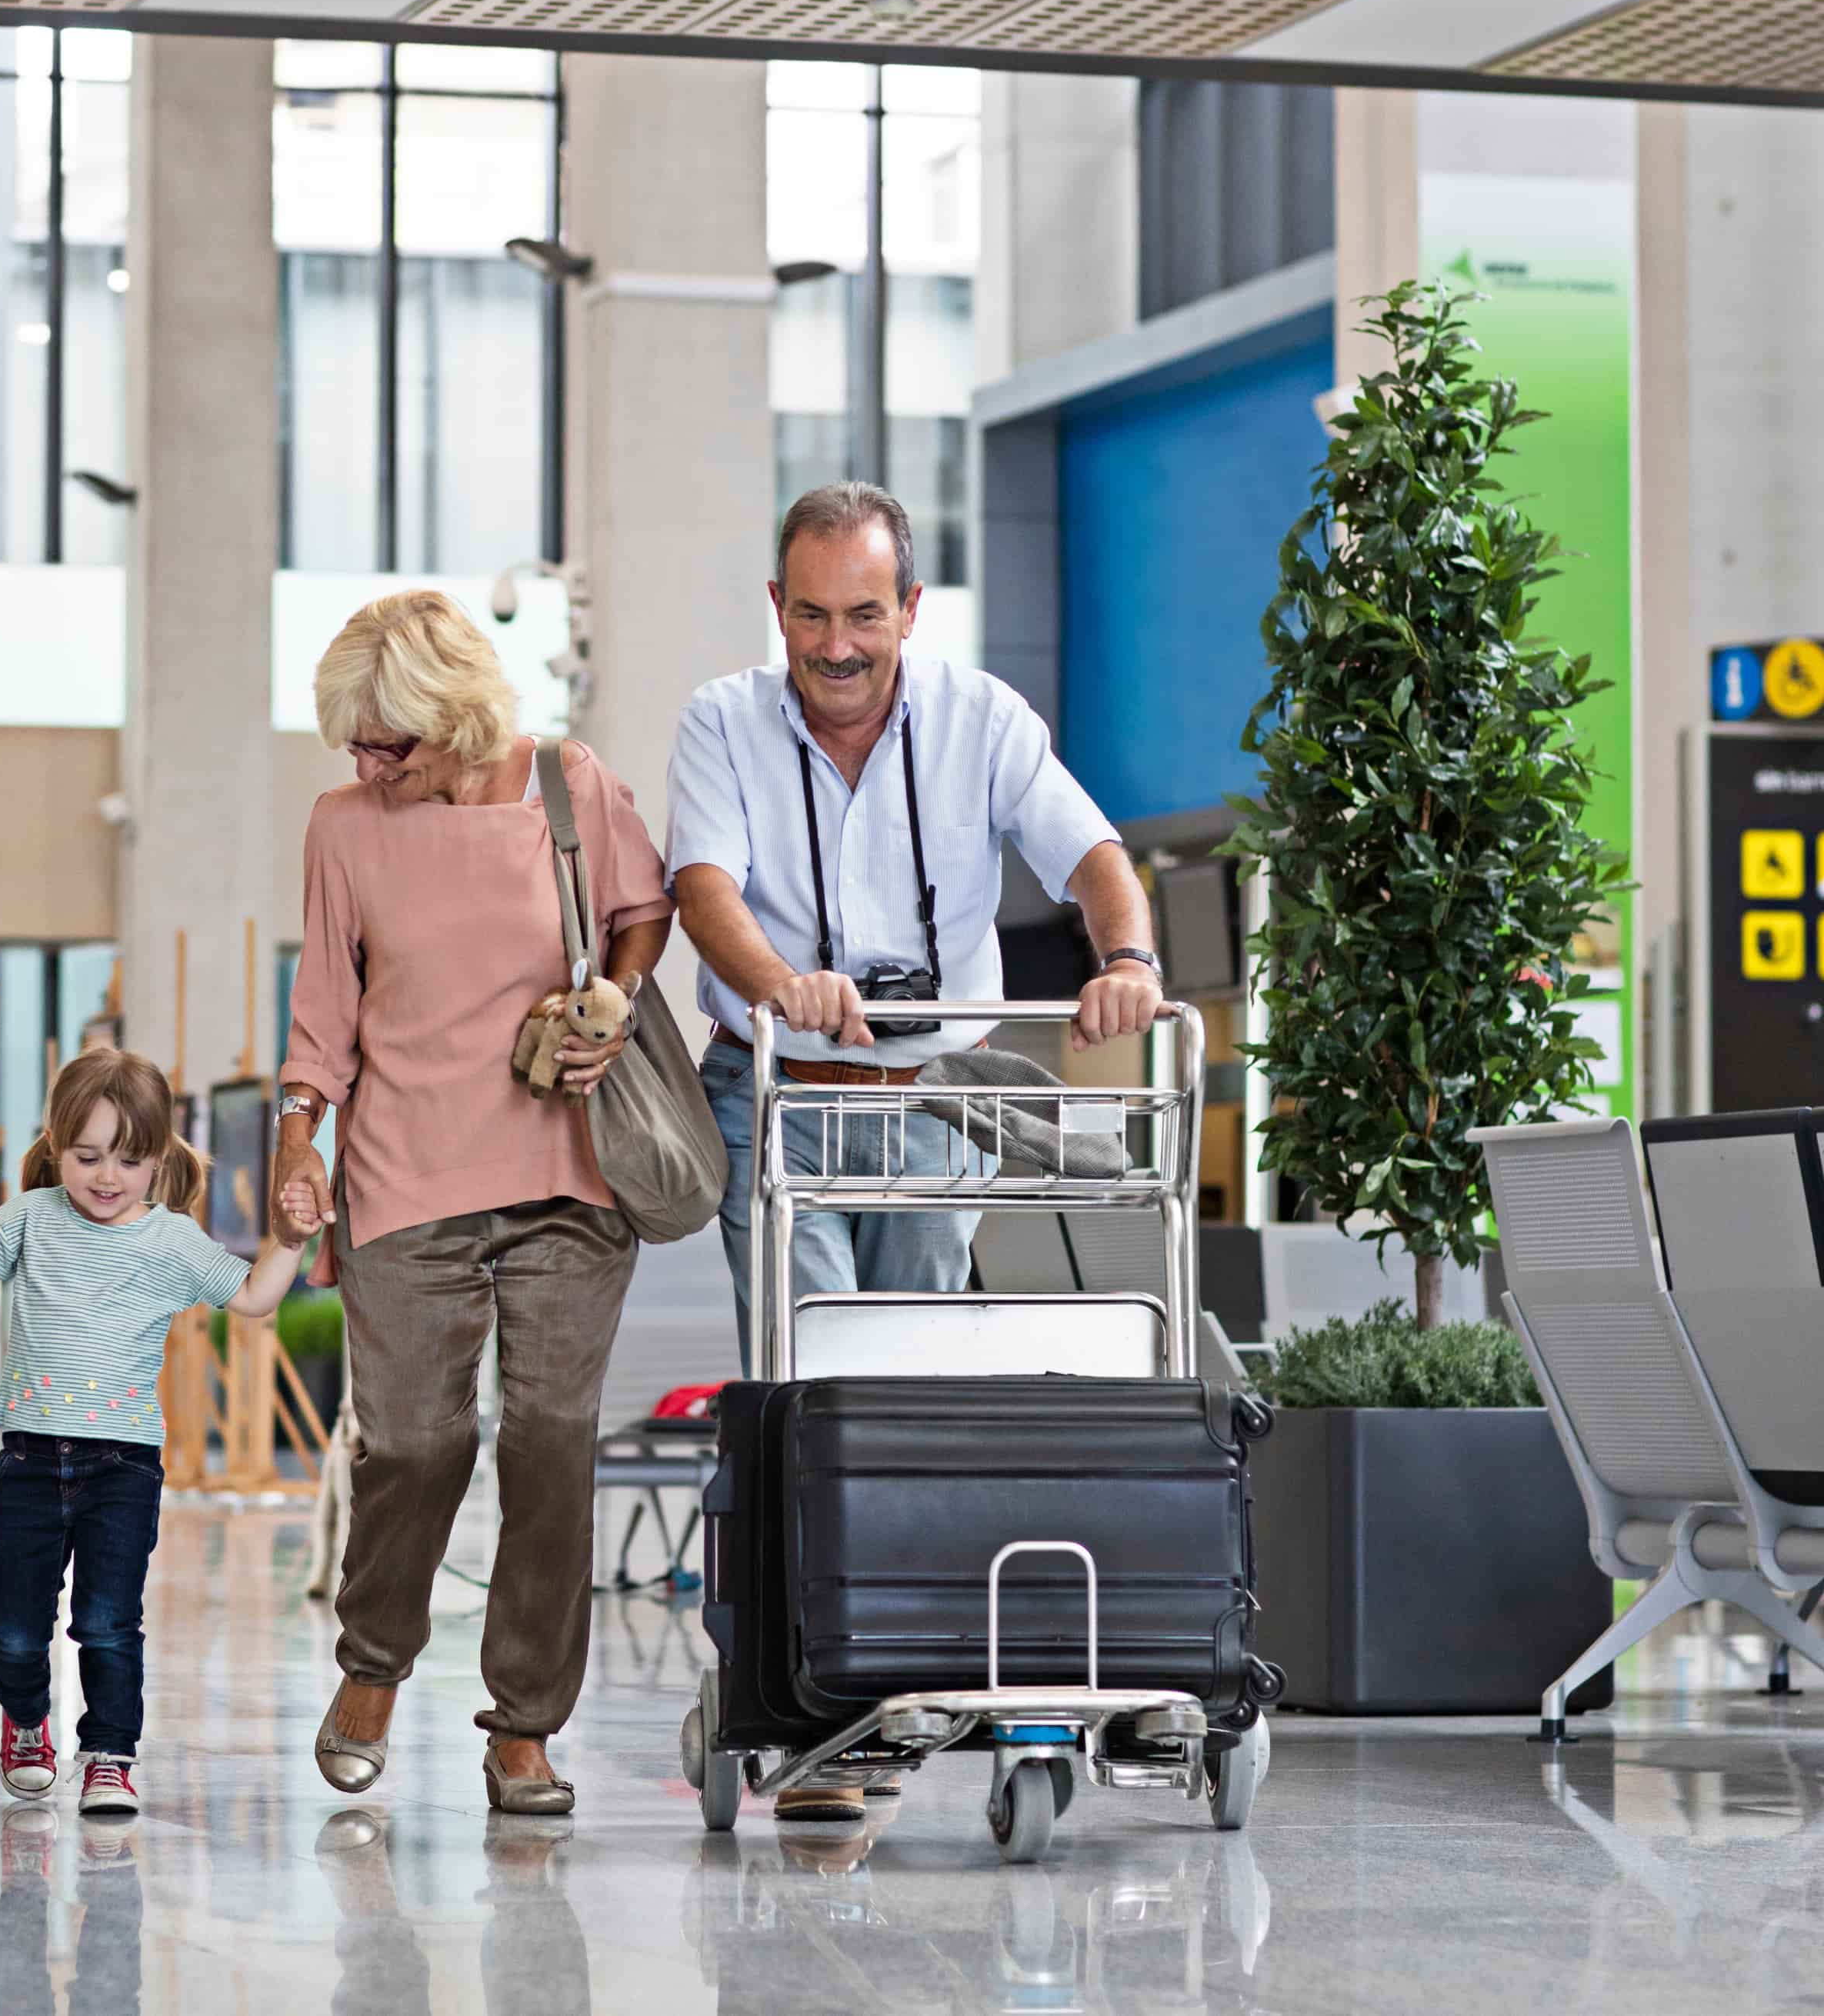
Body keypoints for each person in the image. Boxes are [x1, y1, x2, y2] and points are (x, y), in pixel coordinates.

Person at [268, 588, 673, 1818]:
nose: (365, 763)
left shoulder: (568, 786)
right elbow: (323, 1009)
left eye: (387, 741)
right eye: (352, 741)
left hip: (567, 1171)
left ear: (453, 718)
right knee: (411, 1442)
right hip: (402, 1172)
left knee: (550, 1441)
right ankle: (375, 1662)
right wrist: (300, 1139)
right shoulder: (345, 826)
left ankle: (526, 1727)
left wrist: (610, 997)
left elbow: (640, 916)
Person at [672, 481, 1166, 1345]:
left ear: (909, 609)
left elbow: (1093, 854)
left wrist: (1127, 961)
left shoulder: (982, 717)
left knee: (914, 1360)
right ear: (776, 606)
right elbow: (704, 890)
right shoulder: (721, 721)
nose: (836, 646)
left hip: (940, 1105)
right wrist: (784, 985)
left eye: (864, 615)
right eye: (812, 615)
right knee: (807, 1363)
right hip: (776, 1098)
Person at [0, 1045, 300, 1818]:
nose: (107, 1177)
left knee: (107, 1619)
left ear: (159, 1157)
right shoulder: (29, 1219)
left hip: (123, 1467)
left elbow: (256, 1299)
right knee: (11, 1622)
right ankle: (27, 1721)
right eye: (88, 1155)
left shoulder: (169, 1239)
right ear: (56, 1143)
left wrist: (292, 1240)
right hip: (31, 1461)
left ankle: (109, 1751)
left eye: (130, 1160)